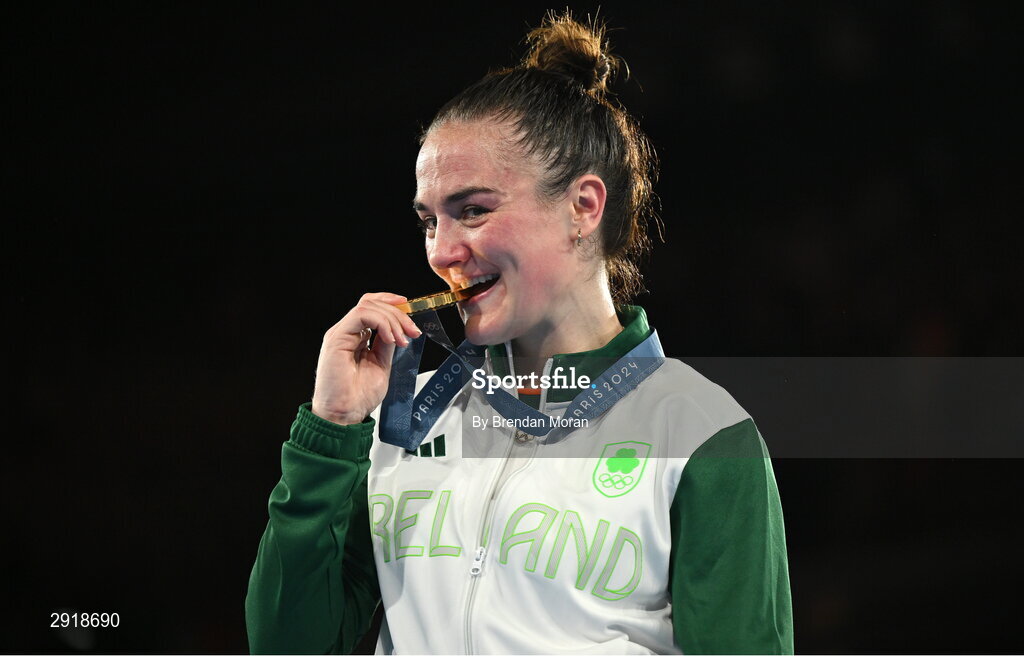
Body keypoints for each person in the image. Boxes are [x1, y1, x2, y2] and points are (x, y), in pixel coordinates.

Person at [245, 12, 793, 655]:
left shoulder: (701, 433)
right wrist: (332, 429)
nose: (443, 251)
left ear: (582, 207)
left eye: (473, 211)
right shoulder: (405, 417)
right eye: (429, 221)